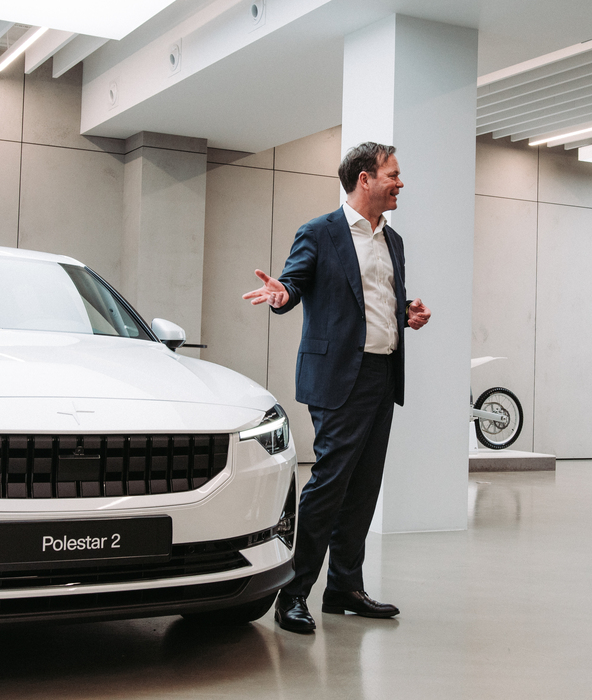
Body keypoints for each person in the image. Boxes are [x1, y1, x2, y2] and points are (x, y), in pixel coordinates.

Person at [242, 142, 431, 634]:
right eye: (392, 174)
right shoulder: (320, 232)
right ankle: (292, 593)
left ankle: (345, 587)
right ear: (364, 179)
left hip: (382, 374)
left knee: (364, 486)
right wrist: (282, 294)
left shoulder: (393, 240)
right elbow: (293, 284)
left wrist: (406, 313)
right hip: (339, 376)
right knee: (328, 484)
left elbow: (377, 300)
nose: (400, 183)